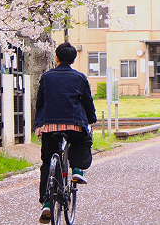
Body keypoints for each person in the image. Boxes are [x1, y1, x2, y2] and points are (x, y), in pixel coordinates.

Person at [34, 42, 97, 224]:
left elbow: (40, 102)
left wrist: (40, 121)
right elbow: (87, 102)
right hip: (73, 124)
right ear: (73, 60)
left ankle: (46, 202)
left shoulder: (46, 77)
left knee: (47, 161)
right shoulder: (80, 77)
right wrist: (90, 120)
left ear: (57, 58)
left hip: (48, 125)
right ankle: (77, 169)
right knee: (82, 140)